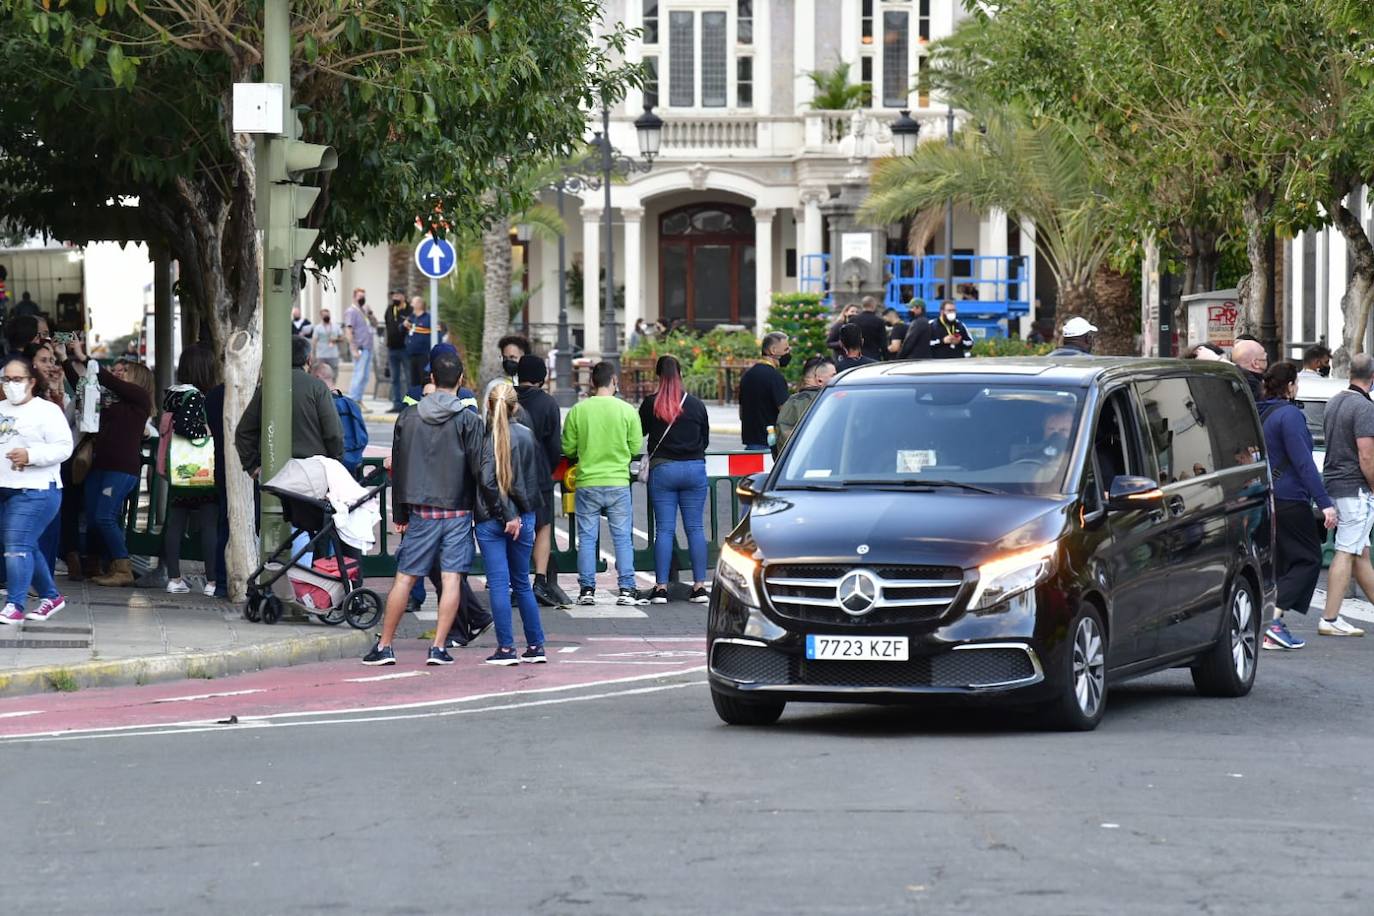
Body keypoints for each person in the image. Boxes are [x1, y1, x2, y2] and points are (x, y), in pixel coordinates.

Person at [363, 351, 501, 666]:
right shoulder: (468, 419)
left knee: (405, 578)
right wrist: (496, 509)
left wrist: (400, 514)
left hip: (421, 510)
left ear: (432, 380)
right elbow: (482, 471)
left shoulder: (409, 417)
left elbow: (399, 465)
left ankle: (384, 645)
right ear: (462, 381)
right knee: (452, 578)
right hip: (457, 510)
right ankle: (438, 647)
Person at [1256, 361, 1336, 650]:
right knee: (1308, 559)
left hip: (1269, 495)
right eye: (1296, 383)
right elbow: (1303, 462)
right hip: (1291, 497)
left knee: (1282, 563)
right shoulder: (1289, 416)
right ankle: (1273, 620)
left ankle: (1270, 624)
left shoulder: (1261, 412)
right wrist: (1325, 503)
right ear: (1290, 385)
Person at [475, 382, 548, 666]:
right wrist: (517, 515)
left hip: (492, 518)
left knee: (498, 583)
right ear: (515, 406)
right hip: (524, 517)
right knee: (522, 583)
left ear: (490, 407)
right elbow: (529, 481)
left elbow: (488, 481)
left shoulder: (486, 438)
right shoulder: (528, 437)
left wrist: (506, 515)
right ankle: (536, 644)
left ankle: (506, 647)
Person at [562, 361, 645, 607]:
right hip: (618, 482)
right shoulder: (627, 410)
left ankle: (587, 589)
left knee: (587, 538)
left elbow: (568, 447)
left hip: (587, 482)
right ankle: (627, 589)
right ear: (614, 382)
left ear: (591, 383)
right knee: (622, 538)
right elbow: (634, 447)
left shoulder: (579, 410)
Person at [0, 355, 72, 625]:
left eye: (17, 379)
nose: (11, 384)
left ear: (31, 381)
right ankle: (51, 597)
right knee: (25, 544)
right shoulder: (1, 408)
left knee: (16, 544)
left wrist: (30, 455)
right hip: (5, 488)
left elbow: (64, 447)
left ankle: (15, 604)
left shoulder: (47, 411)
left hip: (38, 490)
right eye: (6, 379)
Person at [638, 356, 712, 605]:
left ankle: (660, 588)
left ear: (658, 375)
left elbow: (641, 432)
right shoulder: (696, 404)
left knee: (665, 530)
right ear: (681, 374)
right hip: (694, 469)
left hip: (664, 470)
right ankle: (700, 586)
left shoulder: (650, 404)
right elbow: (705, 440)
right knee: (695, 529)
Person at [1317, 352, 1374, 638]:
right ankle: (1330, 617)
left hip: (1335, 483)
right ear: (1372, 379)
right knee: (1346, 550)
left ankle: (1332, 617)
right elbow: (1367, 455)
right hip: (1356, 488)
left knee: (1360, 551)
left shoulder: (1334, 401)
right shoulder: (1364, 408)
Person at [85, 358, 157, 586]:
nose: (120, 375)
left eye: (125, 371)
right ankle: (101, 563)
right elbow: (85, 385)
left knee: (104, 516)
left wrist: (88, 360)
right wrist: (68, 360)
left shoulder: (140, 400)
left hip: (121, 469)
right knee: (94, 517)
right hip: (100, 467)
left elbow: (109, 381)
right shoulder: (114, 403)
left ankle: (122, 566)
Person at [235, 335, 344, 475]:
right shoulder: (318, 387)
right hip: (312, 471)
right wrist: (335, 463)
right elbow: (334, 433)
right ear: (309, 359)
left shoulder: (268, 387)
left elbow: (244, 431)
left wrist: (252, 465)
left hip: (275, 471)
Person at [161, 345, 220, 598]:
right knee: (209, 523)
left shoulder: (172, 394)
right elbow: (187, 426)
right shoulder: (195, 396)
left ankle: (174, 578)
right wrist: (206, 432)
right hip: (199, 471)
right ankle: (212, 581)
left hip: (178, 470)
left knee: (175, 522)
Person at [515, 354, 570, 608]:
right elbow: (554, 444)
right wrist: (547, 469)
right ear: (542, 377)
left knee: (513, 529)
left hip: (510, 477)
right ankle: (539, 579)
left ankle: (516, 582)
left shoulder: (507, 398)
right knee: (542, 527)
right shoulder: (548, 403)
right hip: (539, 476)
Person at [25, 341, 75, 577]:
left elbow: (61, 435)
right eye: (44, 360)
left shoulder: (50, 394)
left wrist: (57, 390)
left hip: (48, 474)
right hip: (24, 474)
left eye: (52, 361)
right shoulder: (20, 393)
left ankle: (42, 583)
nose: (50, 365)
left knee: (46, 530)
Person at [738, 333, 791, 451]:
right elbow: (786, 412)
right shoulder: (775, 377)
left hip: (751, 444)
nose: (788, 353)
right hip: (771, 445)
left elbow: (741, 413)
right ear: (773, 350)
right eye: (786, 349)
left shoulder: (747, 376)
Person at [776, 356, 836, 452]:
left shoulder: (791, 402)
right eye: (833, 375)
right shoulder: (827, 401)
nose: (836, 379)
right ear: (819, 380)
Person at [343, 289, 375, 403]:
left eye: (364, 296)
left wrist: (370, 313)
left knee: (365, 376)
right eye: (360, 296)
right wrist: (353, 349)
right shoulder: (351, 311)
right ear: (354, 297)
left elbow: (375, 324)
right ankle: (353, 400)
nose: (362, 299)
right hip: (360, 348)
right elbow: (348, 330)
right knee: (359, 374)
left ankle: (359, 400)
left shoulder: (364, 311)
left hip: (368, 347)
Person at [383, 289, 411, 412]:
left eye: (398, 295)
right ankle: (397, 404)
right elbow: (387, 327)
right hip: (392, 349)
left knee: (408, 377)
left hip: (405, 349)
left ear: (404, 297)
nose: (395, 297)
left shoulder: (409, 310)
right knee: (395, 378)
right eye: (393, 295)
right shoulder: (389, 309)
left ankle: (410, 403)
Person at [403, 296, 433, 387]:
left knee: (424, 380)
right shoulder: (412, 317)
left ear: (419, 304)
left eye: (413, 303)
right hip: (412, 355)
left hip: (424, 355)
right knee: (413, 382)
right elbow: (401, 328)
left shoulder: (428, 318)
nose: (411, 305)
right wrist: (404, 324)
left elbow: (437, 334)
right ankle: (414, 400)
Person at [852, 296, 889, 362]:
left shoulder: (853, 320)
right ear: (873, 305)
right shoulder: (879, 321)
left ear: (862, 305)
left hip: (855, 357)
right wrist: (886, 358)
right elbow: (883, 343)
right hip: (873, 357)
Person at [311, 307, 342, 376]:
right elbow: (314, 341)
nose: (326, 316)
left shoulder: (336, 326)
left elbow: (342, 338)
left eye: (327, 315)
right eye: (324, 315)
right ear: (321, 316)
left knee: (334, 372)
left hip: (333, 354)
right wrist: (313, 353)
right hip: (321, 355)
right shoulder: (318, 327)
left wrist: (335, 340)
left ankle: (332, 385)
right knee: (320, 372)